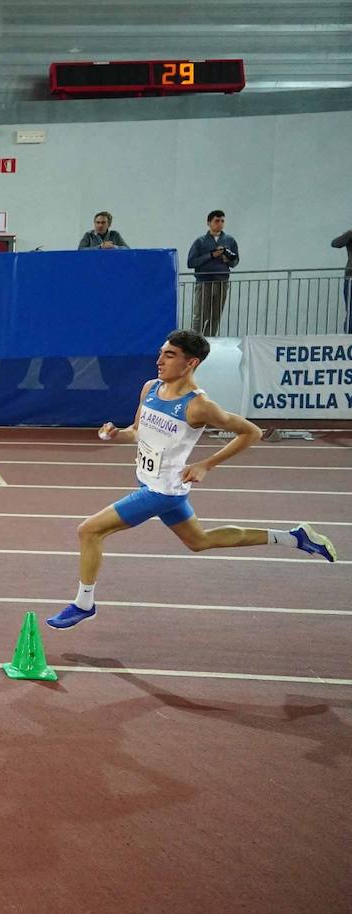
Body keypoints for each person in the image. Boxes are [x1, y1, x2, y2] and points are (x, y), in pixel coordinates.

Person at [47, 330, 336, 630]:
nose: (159, 360)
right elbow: (136, 431)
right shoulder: (150, 388)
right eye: (161, 353)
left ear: (191, 363)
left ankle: (84, 603)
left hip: (163, 491)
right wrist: (117, 433)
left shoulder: (198, 406)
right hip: (148, 482)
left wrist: (206, 464)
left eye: (169, 355)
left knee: (89, 531)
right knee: (199, 541)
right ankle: (294, 537)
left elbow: (252, 432)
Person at [186, 210, 238, 335]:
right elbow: (191, 262)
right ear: (209, 223)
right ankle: (195, 341)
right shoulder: (200, 241)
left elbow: (235, 261)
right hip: (204, 282)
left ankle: (210, 341)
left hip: (221, 282)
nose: (220, 223)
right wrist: (211, 255)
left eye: (222, 221)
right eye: (216, 221)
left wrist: (227, 260)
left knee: (215, 315)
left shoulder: (230, 240)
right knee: (200, 314)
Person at [332, 228, 352, 334]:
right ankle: (349, 337)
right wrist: (349, 234)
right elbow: (335, 243)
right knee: (351, 310)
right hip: (351, 278)